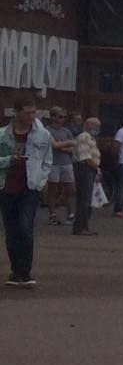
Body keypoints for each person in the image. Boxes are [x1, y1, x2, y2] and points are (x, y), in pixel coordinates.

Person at [0, 99, 54, 287]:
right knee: (11, 230)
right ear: (16, 112)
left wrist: (41, 180)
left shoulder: (42, 135)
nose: (31, 117)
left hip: (29, 186)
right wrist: (9, 160)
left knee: (25, 227)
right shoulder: (2, 135)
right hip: (6, 186)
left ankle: (26, 271)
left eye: (34, 113)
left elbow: (48, 160)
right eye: (27, 113)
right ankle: (16, 271)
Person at [70, 115, 101, 236]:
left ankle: (85, 226)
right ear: (89, 126)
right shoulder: (84, 137)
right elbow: (86, 158)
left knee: (87, 200)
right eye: (97, 126)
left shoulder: (91, 138)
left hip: (89, 169)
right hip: (84, 169)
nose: (98, 129)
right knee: (84, 199)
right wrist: (97, 169)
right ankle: (79, 227)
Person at [42, 109, 73, 226]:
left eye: (64, 117)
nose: (63, 119)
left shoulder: (66, 131)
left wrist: (63, 147)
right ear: (53, 117)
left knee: (70, 188)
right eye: (60, 117)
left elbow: (74, 146)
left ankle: (70, 213)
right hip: (53, 163)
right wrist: (66, 144)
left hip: (66, 162)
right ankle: (52, 215)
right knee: (53, 190)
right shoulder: (47, 131)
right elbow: (52, 146)